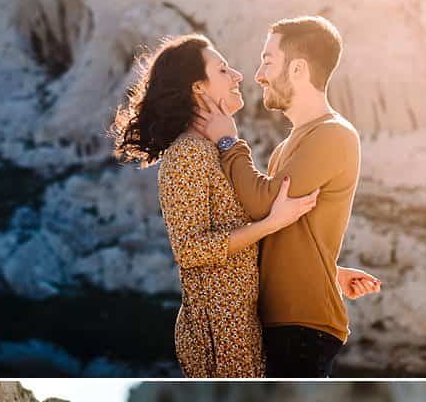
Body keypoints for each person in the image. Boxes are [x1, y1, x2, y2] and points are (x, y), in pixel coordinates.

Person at [110, 33, 321, 376]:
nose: (238, 76)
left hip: (243, 320)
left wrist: (328, 275)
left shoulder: (217, 149)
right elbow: (189, 250)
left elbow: (248, 241)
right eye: (223, 70)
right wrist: (272, 223)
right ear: (198, 87)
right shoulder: (188, 153)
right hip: (220, 330)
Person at [195, 15, 377, 377]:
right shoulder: (290, 145)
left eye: (267, 60)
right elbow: (279, 227)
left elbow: (263, 203)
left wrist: (228, 142)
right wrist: (329, 272)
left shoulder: (333, 135)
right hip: (284, 323)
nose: (259, 74)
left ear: (297, 69)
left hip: (303, 328)